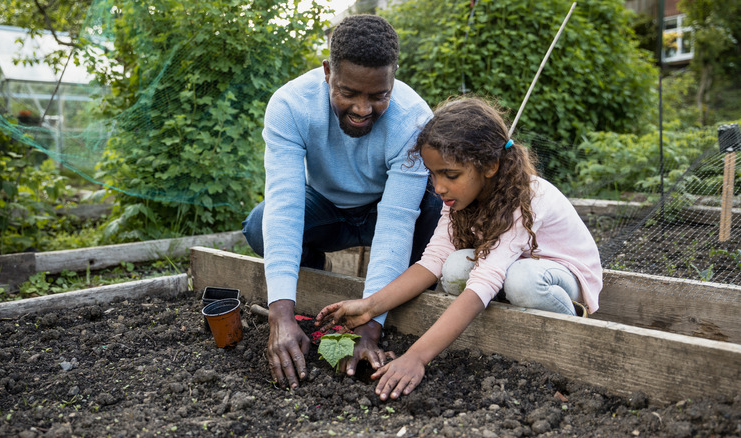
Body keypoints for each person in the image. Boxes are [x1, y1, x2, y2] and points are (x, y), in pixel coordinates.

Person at [315, 96, 603, 401]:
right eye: (433, 173)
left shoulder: (524, 197)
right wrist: (369, 306)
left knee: (523, 280)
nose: (439, 187)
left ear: (489, 166)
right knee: (454, 266)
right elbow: (432, 261)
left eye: (450, 175)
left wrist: (416, 357)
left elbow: (485, 280)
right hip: (510, 269)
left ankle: (575, 326)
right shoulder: (457, 200)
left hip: (562, 277)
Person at [241, 14, 442, 389]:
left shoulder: (413, 120)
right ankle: (312, 281)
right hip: (328, 208)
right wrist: (280, 315)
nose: (362, 109)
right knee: (259, 225)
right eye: (348, 93)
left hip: (384, 209)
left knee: (435, 202)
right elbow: (285, 204)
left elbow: (396, 223)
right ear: (327, 72)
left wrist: (369, 327)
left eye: (378, 96)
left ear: (393, 80)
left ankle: (410, 300)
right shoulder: (291, 105)